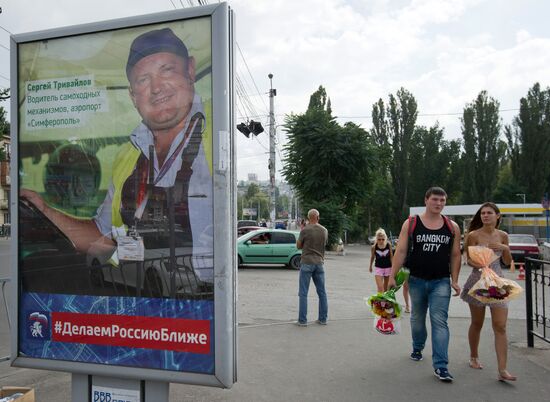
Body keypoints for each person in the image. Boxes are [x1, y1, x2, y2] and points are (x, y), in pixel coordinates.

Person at [20, 27, 213, 285]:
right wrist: (44, 208)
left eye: (167, 70)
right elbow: (101, 238)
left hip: (202, 303)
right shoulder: (128, 156)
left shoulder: (218, 130)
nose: (156, 88)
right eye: (143, 80)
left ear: (190, 70)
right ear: (133, 96)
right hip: (143, 296)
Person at [389, 186, 461, 382]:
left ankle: (441, 366)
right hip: (416, 280)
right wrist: (392, 275)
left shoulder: (452, 227)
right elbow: (401, 251)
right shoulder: (411, 223)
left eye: (442, 200)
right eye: (435, 199)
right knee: (418, 319)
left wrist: (455, 280)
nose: (438, 203)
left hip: (441, 281)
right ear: (426, 200)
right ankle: (418, 346)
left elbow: (455, 255)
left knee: (439, 321)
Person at [460, 202, 516, 381]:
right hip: (478, 282)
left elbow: (507, 262)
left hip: (498, 283)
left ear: (497, 216)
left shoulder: (503, 235)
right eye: (483, 213)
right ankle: (474, 356)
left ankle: (502, 370)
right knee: (477, 323)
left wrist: (505, 248)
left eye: (489, 213)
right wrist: (482, 265)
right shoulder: (473, 235)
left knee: (500, 325)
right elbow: (468, 260)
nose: (485, 216)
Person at [296, 209, 328, 326]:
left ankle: (302, 321)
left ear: (308, 218)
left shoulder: (305, 230)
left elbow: (298, 246)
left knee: (303, 293)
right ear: (318, 217)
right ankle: (323, 319)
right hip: (319, 263)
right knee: (322, 293)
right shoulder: (324, 230)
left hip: (307, 262)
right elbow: (324, 244)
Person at [369, 228, 393, 293]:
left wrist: (393, 267)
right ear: (377, 239)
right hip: (378, 268)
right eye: (379, 239)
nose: (381, 241)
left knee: (386, 288)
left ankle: (384, 303)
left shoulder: (388, 245)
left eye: (383, 239)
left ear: (385, 238)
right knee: (380, 288)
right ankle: (379, 302)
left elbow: (391, 257)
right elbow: (372, 257)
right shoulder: (374, 247)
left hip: (388, 267)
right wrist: (370, 266)